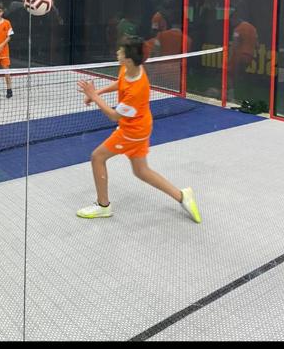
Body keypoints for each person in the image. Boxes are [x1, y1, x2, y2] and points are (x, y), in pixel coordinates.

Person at [76, 36, 201, 223]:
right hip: (141, 126)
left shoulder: (136, 90)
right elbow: (120, 82)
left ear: (128, 59)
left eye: (120, 52)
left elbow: (114, 116)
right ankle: (182, 196)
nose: (117, 53)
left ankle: (103, 206)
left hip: (132, 132)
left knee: (97, 157)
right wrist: (98, 92)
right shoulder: (130, 67)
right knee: (141, 171)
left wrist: (93, 96)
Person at [227, 10, 258, 104]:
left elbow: (235, 45)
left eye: (231, 21)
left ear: (235, 19)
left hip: (239, 56)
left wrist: (229, 58)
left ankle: (232, 97)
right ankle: (243, 97)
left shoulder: (238, 29)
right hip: (250, 56)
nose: (231, 23)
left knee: (230, 75)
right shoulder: (253, 28)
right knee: (241, 76)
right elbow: (257, 44)